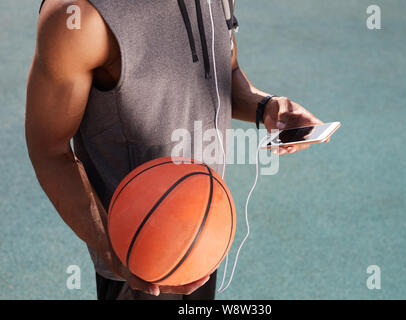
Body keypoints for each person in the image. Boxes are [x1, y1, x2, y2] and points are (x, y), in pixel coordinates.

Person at [26, 0, 326, 300]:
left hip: (202, 236)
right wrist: (114, 251)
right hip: (140, 258)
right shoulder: (79, 16)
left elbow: (223, 69)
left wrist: (266, 107)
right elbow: (49, 149)